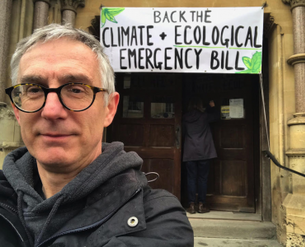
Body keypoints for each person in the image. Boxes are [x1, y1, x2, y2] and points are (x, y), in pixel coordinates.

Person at [1, 24, 193, 247]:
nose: (51, 111)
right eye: (34, 89)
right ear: (17, 110)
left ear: (109, 109)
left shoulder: (156, 220)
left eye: (75, 89)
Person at [182, 97, 220, 214]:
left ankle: (191, 205)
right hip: (204, 151)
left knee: (191, 179)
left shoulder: (184, 117)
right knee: (202, 179)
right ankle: (201, 205)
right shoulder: (204, 116)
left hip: (190, 151)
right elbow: (218, 116)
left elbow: (182, 132)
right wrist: (213, 107)